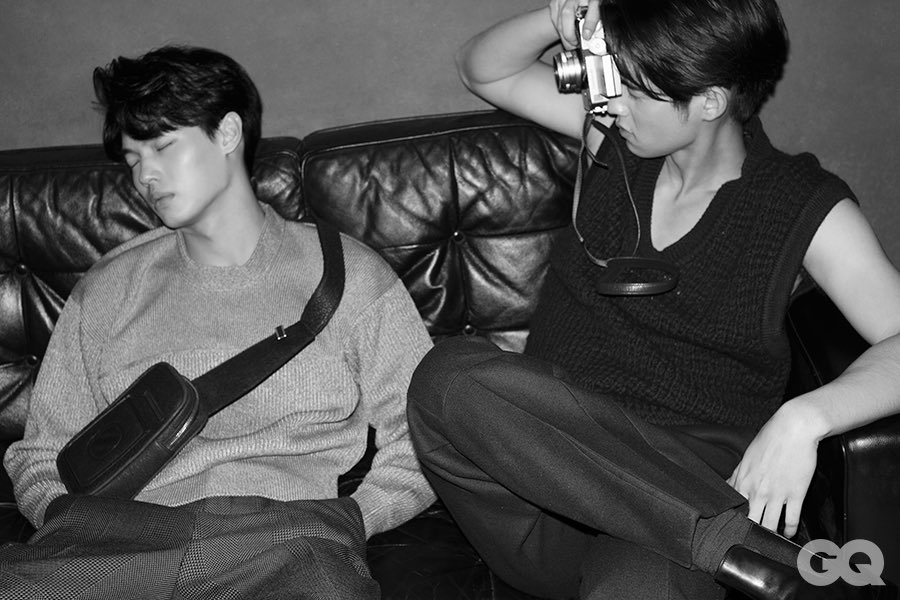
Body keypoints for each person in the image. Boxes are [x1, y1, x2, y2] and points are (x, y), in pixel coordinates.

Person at [405, 1, 900, 599]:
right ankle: (744, 549)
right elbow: (482, 69)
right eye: (610, 79)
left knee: (640, 587)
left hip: (673, 510)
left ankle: (716, 540)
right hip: (544, 493)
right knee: (448, 377)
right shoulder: (609, 141)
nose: (609, 103)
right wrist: (567, 13)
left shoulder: (799, 205)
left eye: (634, 90)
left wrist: (806, 418)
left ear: (710, 101)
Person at [1, 45, 434, 598]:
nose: (145, 175)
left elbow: (425, 435)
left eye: (163, 146)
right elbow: (40, 453)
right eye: (132, 160)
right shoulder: (107, 290)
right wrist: (70, 520)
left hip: (284, 537)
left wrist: (353, 517)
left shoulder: (349, 275)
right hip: (126, 544)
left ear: (228, 133)